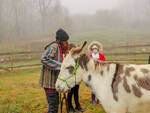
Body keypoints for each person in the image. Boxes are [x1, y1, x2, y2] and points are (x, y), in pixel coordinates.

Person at [39, 28, 69, 113]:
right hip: (49, 83)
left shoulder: (59, 48)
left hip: (54, 83)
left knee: (55, 105)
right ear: (61, 41)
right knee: (53, 107)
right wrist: (61, 66)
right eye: (65, 41)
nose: (66, 43)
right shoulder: (54, 46)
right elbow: (44, 59)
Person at [66, 44, 85, 113]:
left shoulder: (76, 57)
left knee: (76, 92)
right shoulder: (67, 57)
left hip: (76, 78)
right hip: (70, 78)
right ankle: (70, 107)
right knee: (70, 93)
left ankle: (77, 106)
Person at [88, 41, 105, 105]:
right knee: (93, 87)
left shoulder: (101, 56)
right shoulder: (90, 56)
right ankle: (93, 100)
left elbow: (104, 64)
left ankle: (99, 100)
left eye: (96, 48)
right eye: (93, 49)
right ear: (91, 49)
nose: (94, 50)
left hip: (99, 73)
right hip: (93, 73)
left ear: (98, 49)